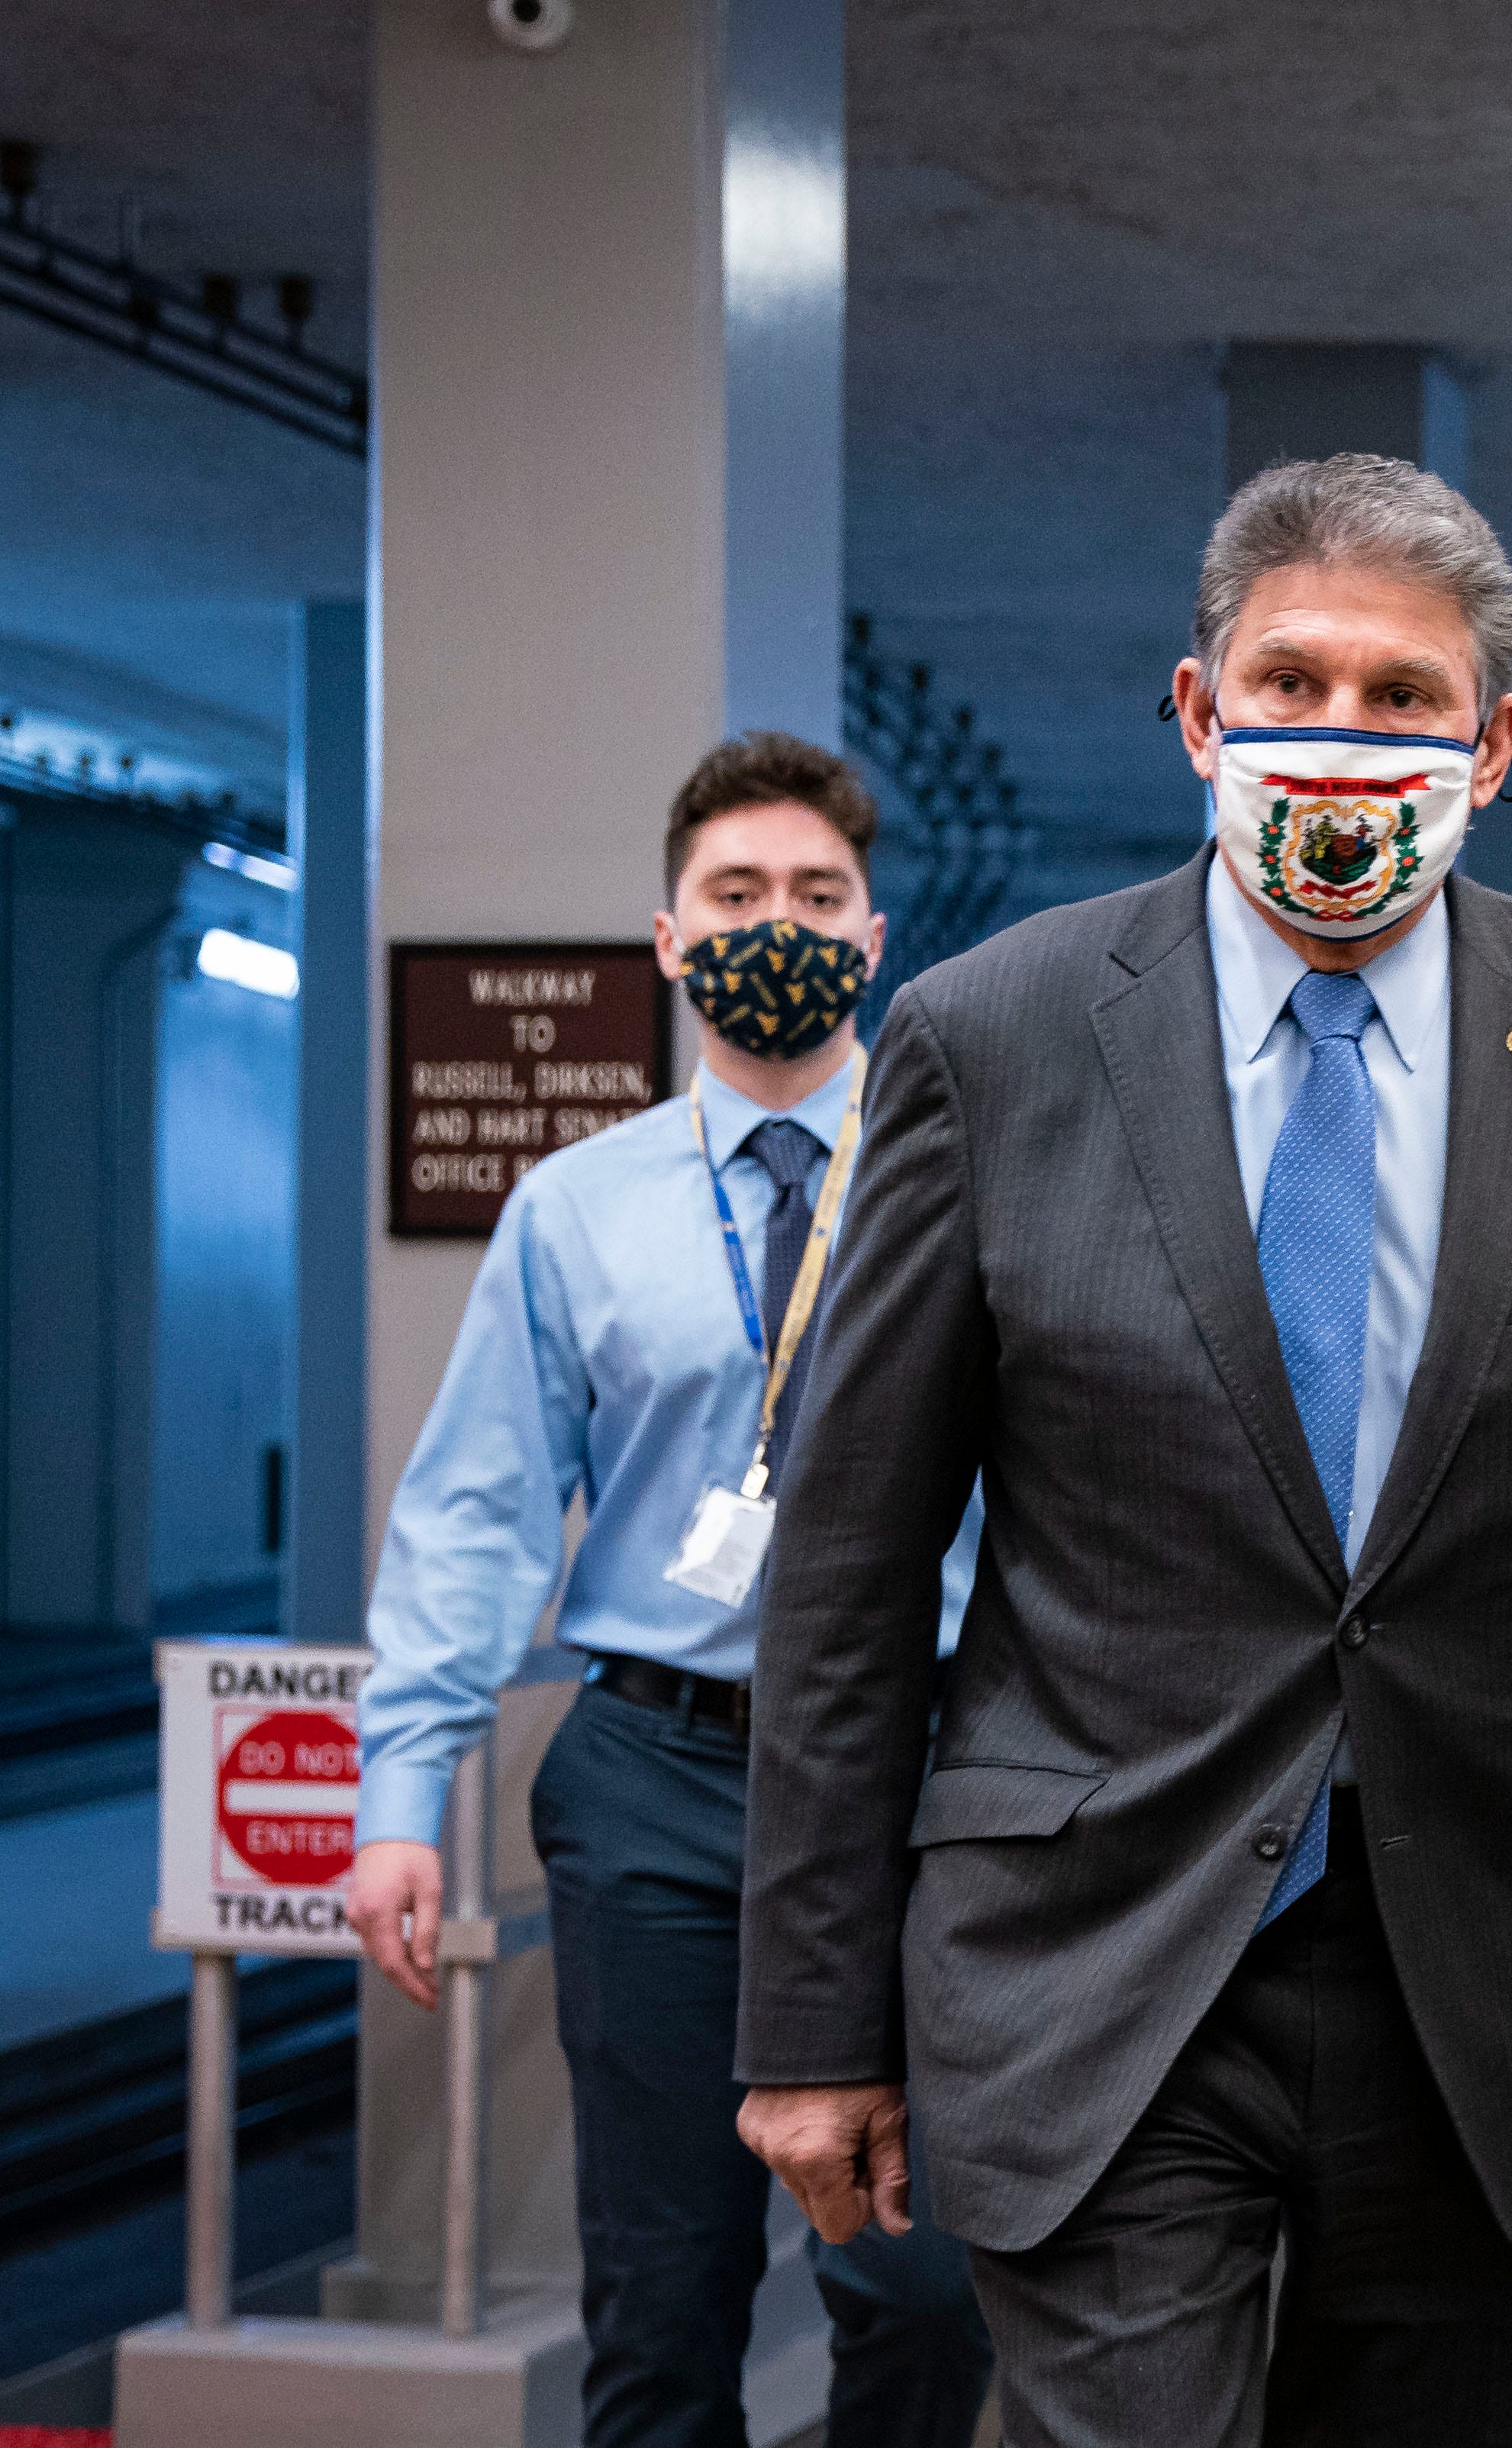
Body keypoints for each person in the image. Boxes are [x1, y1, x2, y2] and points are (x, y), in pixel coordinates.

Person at [730, 453, 1512, 2448]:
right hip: (1096, 1961)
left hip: (1502, 1979)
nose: (1344, 732)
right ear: (1200, 710)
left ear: (1490, 743)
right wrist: (810, 2021)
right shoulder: (994, 1038)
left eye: (1403, 698)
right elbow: (852, 1570)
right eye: (1291, 679)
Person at [350, 734, 995, 2448]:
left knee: (928, 2291)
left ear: (872, 938)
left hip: (926, 1777)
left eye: (813, 896)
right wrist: (406, 1789)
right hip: (660, 1776)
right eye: (734, 895)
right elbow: (479, 1510)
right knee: (661, 2296)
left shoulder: (973, 1184)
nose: (771, 922)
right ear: (666, 935)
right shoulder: (576, 1209)